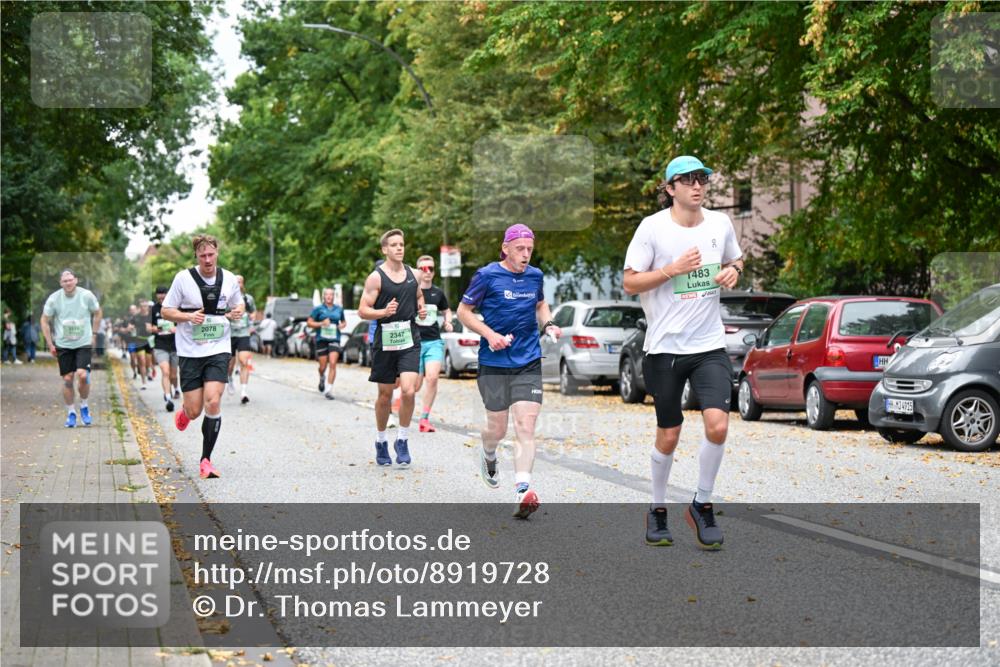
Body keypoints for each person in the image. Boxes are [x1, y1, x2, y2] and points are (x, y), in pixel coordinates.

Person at [623, 155, 744, 550]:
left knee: (718, 426)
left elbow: (736, 258)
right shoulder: (652, 228)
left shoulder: (720, 223)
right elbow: (630, 283)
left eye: (702, 179)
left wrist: (734, 270)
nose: (697, 186)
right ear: (670, 188)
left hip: (708, 345)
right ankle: (657, 509)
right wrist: (671, 270)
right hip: (664, 349)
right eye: (688, 180)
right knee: (669, 434)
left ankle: (701, 504)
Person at [456, 224, 561, 519]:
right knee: (497, 429)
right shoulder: (486, 276)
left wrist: (549, 324)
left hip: (528, 360)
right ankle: (489, 453)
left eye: (530, 249)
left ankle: (522, 490)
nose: (526, 255)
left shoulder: (535, 276)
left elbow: (541, 304)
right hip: (494, 363)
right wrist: (490, 335)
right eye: (520, 249)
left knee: (525, 425)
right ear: (505, 249)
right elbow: (463, 312)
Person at [160, 234, 244, 479]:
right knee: (195, 410)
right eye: (202, 255)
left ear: (217, 253)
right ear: (196, 256)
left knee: (213, 402)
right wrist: (188, 317)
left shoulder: (229, 278)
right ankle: (185, 413)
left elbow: (239, 304)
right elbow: (166, 311)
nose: (207, 260)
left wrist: (237, 311)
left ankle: (206, 460)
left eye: (211, 254)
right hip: (190, 351)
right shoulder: (183, 278)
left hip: (218, 348)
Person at [358, 229, 426, 467]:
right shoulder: (376, 278)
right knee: (385, 395)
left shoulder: (414, 274)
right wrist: (383, 312)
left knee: (408, 391)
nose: (399, 248)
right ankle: (381, 441)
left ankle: (403, 439)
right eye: (394, 245)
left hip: (409, 338)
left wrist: (421, 308)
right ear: (384, 249)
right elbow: (363, 310)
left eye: (402, 244)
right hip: (385, 341)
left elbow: (419, 296)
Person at [39, 269, 102, 427]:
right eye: (65, 281)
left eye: (70, 280)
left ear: (76, 280)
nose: (68, 283)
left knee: (82, 375)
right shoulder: (54, 299)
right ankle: (71, 412)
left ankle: (84, 406)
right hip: (63, 344)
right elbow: (44, 320)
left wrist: (94, 334)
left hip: (83, 342)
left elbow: (98, 312)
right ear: (61, 283)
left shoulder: (86, 295)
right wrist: (50, 343)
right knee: (68, 379)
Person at [412, 255, 453, 432]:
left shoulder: (438, 293)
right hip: (414, 343)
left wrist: (448, 321)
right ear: (418, 271)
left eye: (431, 268)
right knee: (414, 386)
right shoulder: (411, 292)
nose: (427, 271)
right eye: (424, 268)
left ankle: (424, 418)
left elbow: (447, 310)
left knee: (433, 378)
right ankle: (398, 398)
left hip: (434, 341)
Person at [307, 287, 346, 400]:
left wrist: (342, 325)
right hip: (321, 339)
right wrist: (321, 323)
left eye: (331, 294)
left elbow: (343, 322)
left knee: (333, 363)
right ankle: (322, 377)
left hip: (335, 338)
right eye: (327, 294)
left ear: (334, 296)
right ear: (324, 296)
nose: (329, 296)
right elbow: (309, 323)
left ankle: (329, 389)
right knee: (323, 366)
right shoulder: (318, 309)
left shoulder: (339, 309)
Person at [149, 286, 181, 412]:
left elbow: (183, 323)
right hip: (160, 345)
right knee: (165, 372)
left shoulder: (175, 307)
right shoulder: (153, 309)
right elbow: (149, 327)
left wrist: (176, 329)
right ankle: (168, 398)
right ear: (156, 295)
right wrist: (160, 328)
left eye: (164, 293)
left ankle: (176, 388)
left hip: (174, 345)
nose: (161, 296)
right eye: (159, 294)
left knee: (173, 374)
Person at [226, 275, 256, 404]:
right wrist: (228, 315)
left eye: (240, 282)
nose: (238, 284)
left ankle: (244, 392)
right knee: (230, 365)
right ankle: (229, 378)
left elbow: (253, 312)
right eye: (236, 282)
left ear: (243, 284)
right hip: (229, 334)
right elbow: (218, 314)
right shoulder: (226, 298)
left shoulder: (248, 299)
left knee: (244, 361)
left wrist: (251, 317)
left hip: (244, 333)